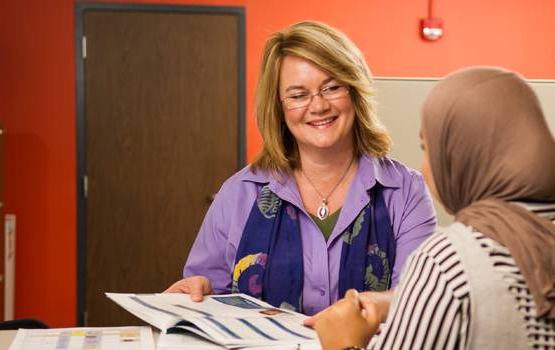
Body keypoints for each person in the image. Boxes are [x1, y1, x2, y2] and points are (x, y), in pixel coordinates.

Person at [312, 67, 555, 349]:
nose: (425, 168)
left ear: (463, 157)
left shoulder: (448, 263)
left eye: (429, 148)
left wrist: (344, 342)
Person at [164, 21, 437, 316]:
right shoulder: (238, 194)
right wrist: (198, 291)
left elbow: (414, 303)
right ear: (279, 108)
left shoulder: (406, 191)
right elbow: (207, 302)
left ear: (355, 91)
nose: (318, 106)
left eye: (331, 87)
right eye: (298, 95)